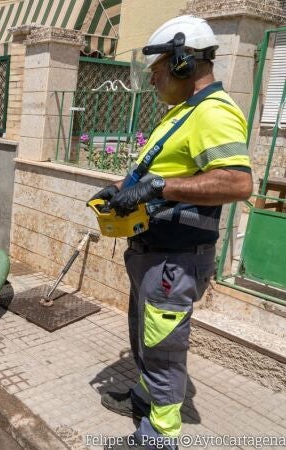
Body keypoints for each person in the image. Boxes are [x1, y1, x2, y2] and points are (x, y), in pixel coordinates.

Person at [88, 16, 252, 450]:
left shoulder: (213, 113)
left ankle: (159, 438)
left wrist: (160, 186)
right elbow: (159, 170)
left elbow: (237, 182)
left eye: (157, 70)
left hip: (173, 259)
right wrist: (123, 189)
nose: (154, 80)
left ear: (183, 62)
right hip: (153, 251)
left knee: (163, 347)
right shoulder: (183, 113)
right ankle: (146, 399)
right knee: (146, 338)